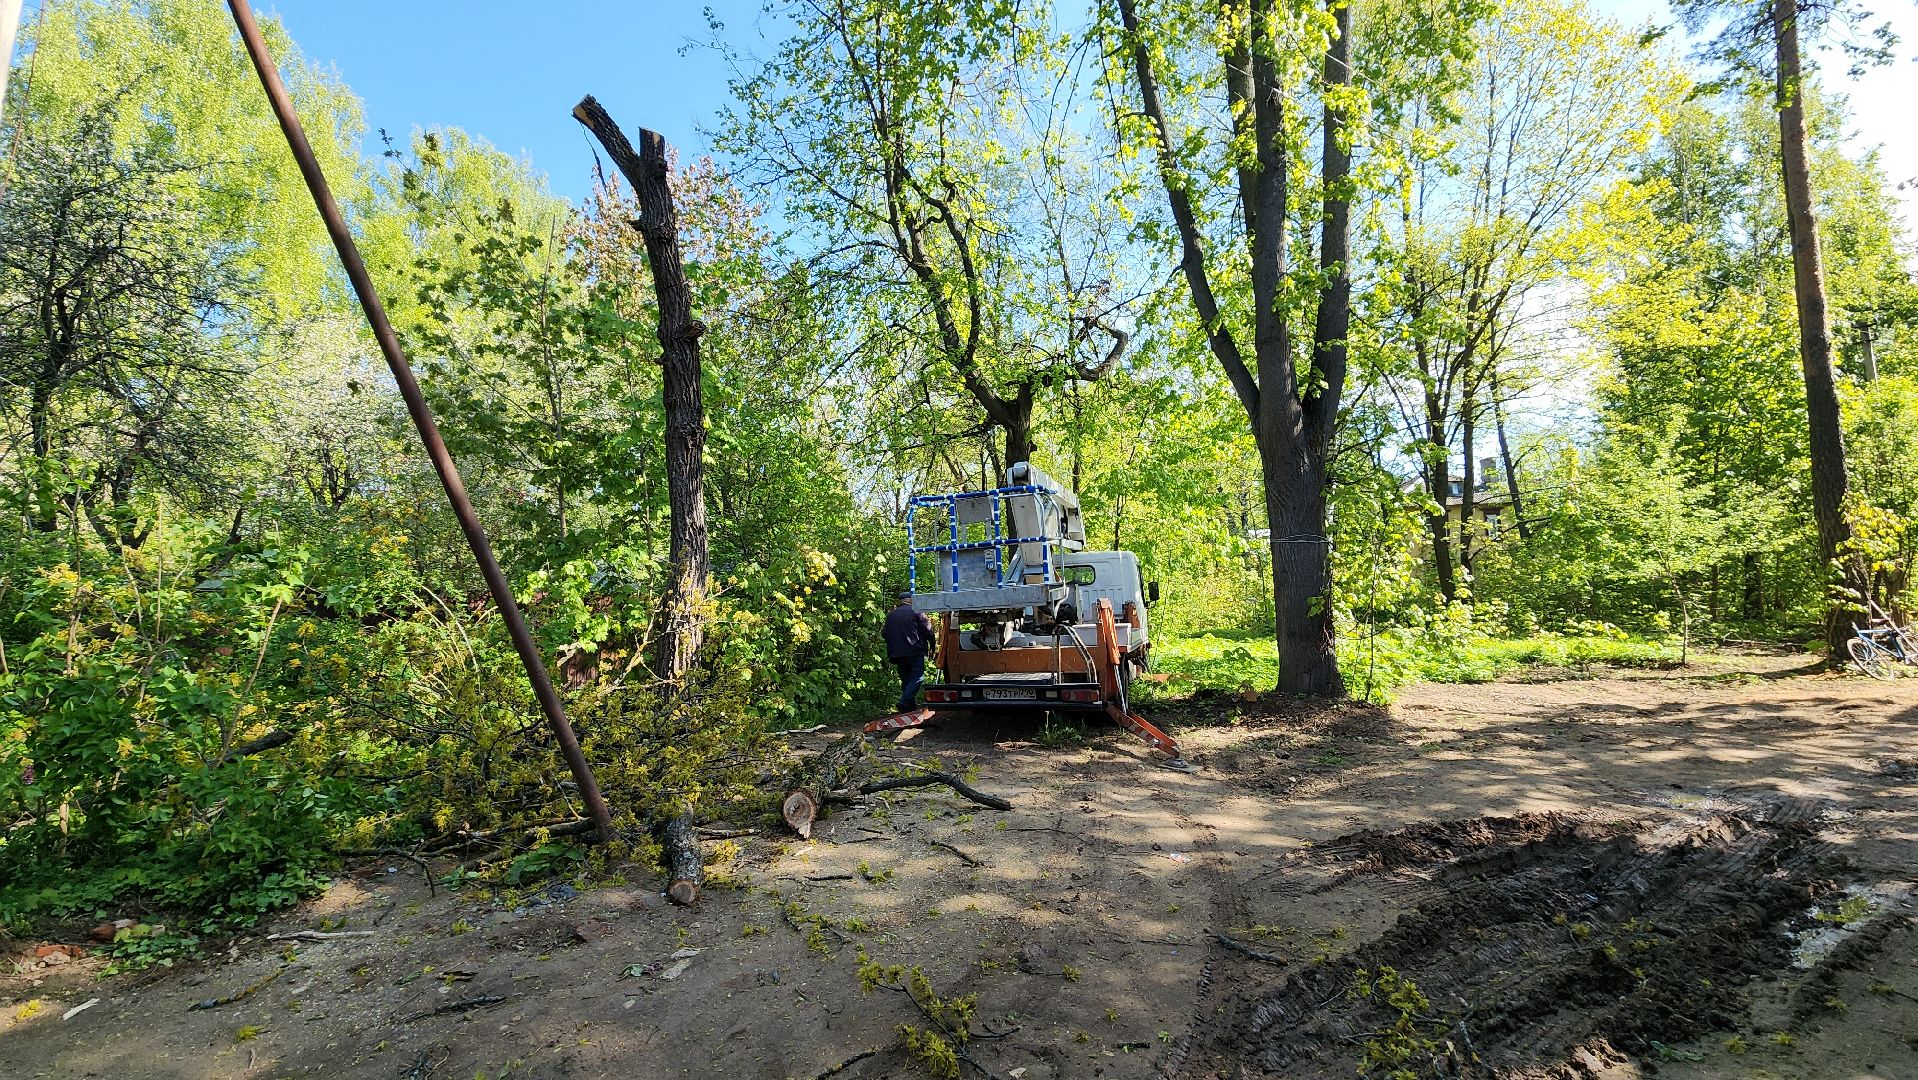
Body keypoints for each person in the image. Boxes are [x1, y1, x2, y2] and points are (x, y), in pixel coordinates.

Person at [882, 590, 935, 713]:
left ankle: (908, 708)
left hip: (898, 653)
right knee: (918, 677)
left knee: (906, 680)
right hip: (914, 651)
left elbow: (885, 634)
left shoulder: (891, 615)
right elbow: (928, 630)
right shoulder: (916, 612)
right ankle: (904, 701)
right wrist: (932, 645)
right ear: (911, 600)